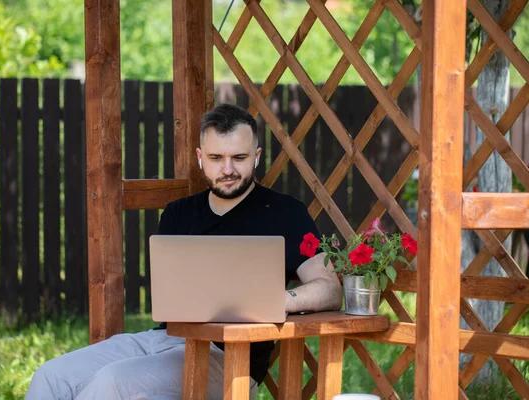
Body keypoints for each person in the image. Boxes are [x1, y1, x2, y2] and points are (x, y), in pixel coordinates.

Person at [25, 103, 343, 400]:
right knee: (51, 376)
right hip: (167, 339)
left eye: (239, 158)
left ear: (257, 156)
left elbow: (330, 288)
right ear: (200, 157)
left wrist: (280, 301)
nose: (228, 168)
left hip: (231, 357)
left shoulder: (286, 213)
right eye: (216, 158)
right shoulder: (178, 213)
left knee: (112, 383)